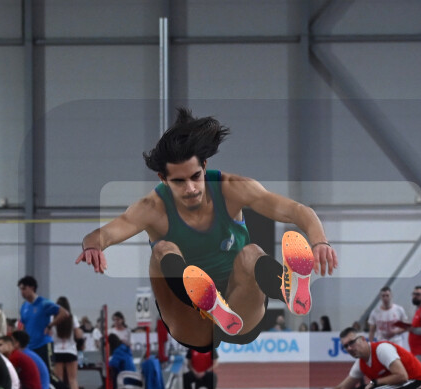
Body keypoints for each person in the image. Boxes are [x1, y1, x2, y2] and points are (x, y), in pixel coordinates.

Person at [76, 108, 337, 352]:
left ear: (204, 166)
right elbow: (102, 235)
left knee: (252, 252)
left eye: (195, 177)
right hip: (191, 322)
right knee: (162, 249)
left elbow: (296, 210)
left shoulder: (232, 188)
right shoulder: (151, 208)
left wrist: (319, 242)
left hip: (239, 311)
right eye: (179, 182)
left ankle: (288, 289)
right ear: (163, 179)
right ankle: (207, 302)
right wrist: (92, 246)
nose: (190, 189)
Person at [17, 275, 68, 368]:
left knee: (49, 372)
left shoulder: (44, 303)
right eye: (20, 289)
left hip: (44, 344)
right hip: (30, 346)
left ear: (32, 288)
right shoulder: (24, 307)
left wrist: (50, 325)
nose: (22, 292)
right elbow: (23, 325)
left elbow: (64, 313)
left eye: (24, 289)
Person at [52, 296, 85, 389]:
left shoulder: (53, 318)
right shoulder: (72, 318)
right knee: (73, 380)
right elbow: (79, 334)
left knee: (59, 381)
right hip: (70, 350)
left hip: (57, 350)